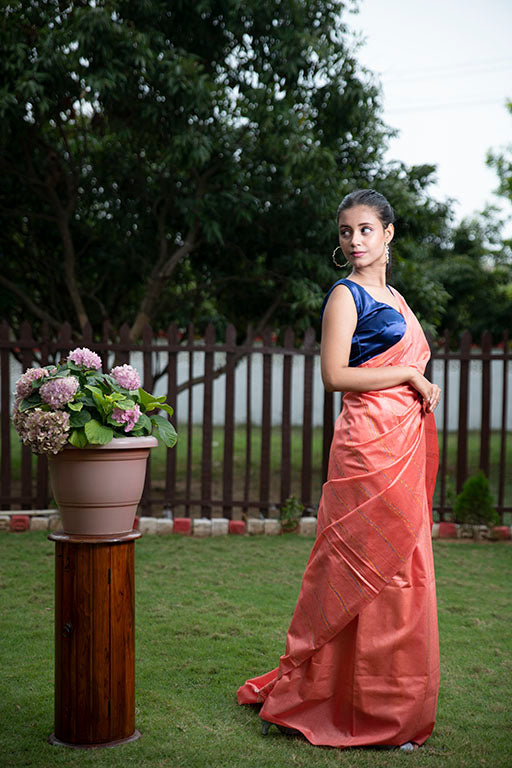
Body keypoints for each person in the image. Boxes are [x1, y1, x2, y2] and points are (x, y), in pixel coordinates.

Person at [237, 189, 441, 752]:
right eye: (347, 231)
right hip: (366, 450)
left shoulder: (395, 296)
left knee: (404, 569)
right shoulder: (345, 297)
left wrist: (410, 382)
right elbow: (335, 376)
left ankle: (392, 705)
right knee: (363, 568)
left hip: (401, 443)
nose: (355, 240)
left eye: (366, 230)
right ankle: (327, 699)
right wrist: (408, 378)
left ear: (388, 234)